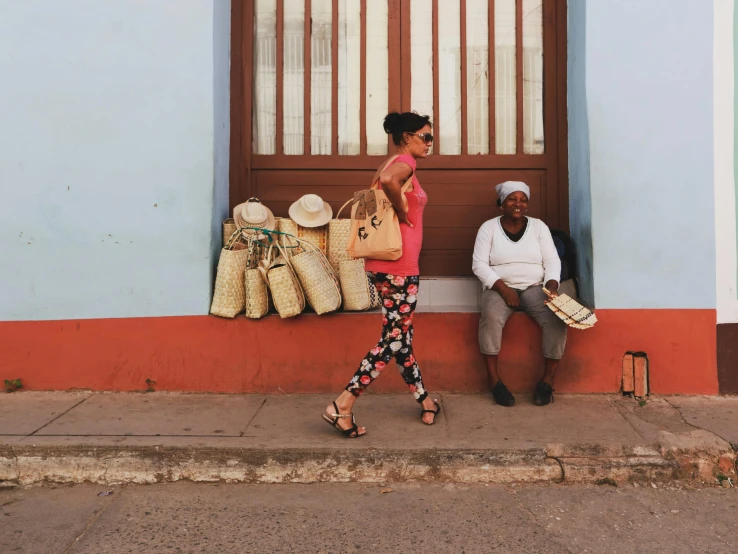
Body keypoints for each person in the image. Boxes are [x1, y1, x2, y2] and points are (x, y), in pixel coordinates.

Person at [322, 111, 440, 438]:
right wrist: (404, 211)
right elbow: (390, 186)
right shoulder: (405, 164)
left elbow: (384, 185)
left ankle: (425, 399)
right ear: (406, 137)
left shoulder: (388, 163)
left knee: (401, 338)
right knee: (393, 339)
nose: (430, 143)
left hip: (383, 266)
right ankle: (342, 405)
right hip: (400, 268)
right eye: (425, 136)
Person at [472, 181, 574, 407]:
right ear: (501, 203)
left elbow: (551, 260)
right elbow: (479, 265)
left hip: (535, 287)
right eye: (512, 199)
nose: (518, 204)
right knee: (489, 316)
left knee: (557, 318)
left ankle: (547, 382)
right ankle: (494, 381)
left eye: (523, 200)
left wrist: (552, 287)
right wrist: (503, 288)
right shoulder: (488, 228)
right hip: (499, 287)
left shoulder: (538, 227)